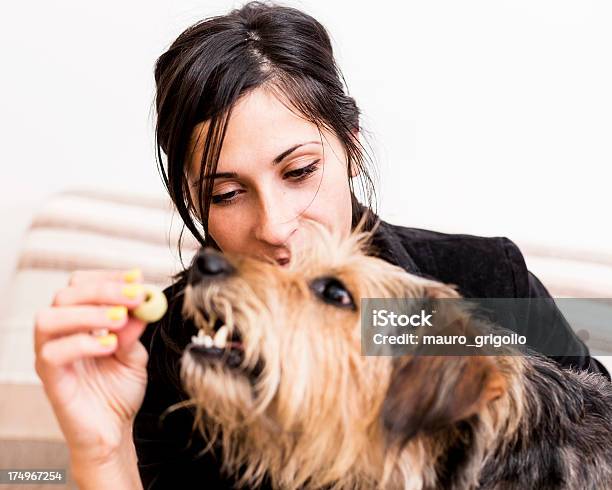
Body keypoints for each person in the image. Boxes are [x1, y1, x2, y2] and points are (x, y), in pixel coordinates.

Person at [34, 2, 610, 489]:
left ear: (350, 149)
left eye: (300, 171)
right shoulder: (177, 351)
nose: (276, 227)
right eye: (228, 193)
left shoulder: (487, 279)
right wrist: (102, 451)